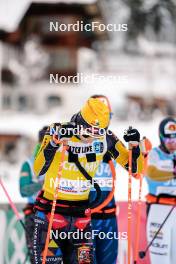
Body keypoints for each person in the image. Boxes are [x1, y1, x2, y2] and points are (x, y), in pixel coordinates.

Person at [33, 97, 144, 264]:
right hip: (51, 213)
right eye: (87, 132)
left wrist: (134, 147)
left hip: (81, 217)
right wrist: (54, 144)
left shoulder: (105, 138)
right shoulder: (58, 130)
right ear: (79, 122)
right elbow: (38, 169)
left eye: (98, 132)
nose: (92, 137)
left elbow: (135, 169)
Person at [88, 95, 118, 264]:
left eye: (107, 116)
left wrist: (139, 153)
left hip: (109, 218)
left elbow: (135, 170)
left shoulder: (112, 141)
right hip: (86, 218)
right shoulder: (79, 140)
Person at [145, 117, 176, 264]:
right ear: (161, 137)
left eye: (175, 137)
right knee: (161, 260)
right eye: (168, 138)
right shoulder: (154, 154)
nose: (172, 141)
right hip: (159, 211)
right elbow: (151, 174)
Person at [19, 126, 48, 263]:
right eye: (45, 142)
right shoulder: (29, 164)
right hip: (34, 212)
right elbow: (23, 190)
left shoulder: (59, 162)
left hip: (55, 212)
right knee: (36, 254)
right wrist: (42, 184)